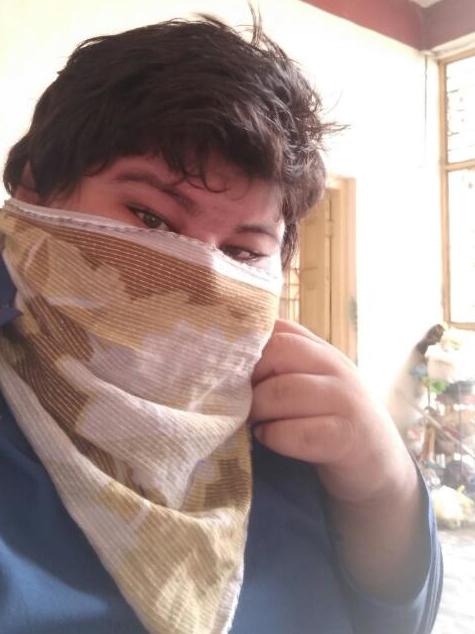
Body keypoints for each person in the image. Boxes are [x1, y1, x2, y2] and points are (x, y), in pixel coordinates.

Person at [0, 13, 442, 634]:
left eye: (242, 251)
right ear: (36, 191)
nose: (204, 279)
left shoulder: (289, 416)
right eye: (151, 218)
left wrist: (384, 486)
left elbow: (394, 620)